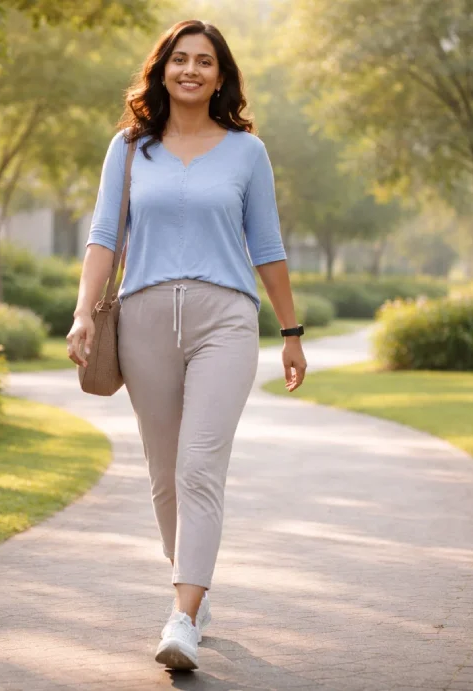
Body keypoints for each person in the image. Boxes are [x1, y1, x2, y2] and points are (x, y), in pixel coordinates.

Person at [66, 19, 307, 671]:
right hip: (143, 316)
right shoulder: (130, 147)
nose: (192, 70)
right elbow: (103, 237)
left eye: (205, 61)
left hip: (224, 318)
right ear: (162, 69)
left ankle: (181, 614)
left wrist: (291, 332)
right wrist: (84, 314)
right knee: (164, 472)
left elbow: (268, 247)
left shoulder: (246, 153)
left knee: (200, 465)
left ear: (221, 76)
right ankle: (196, 595)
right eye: (180, 59)